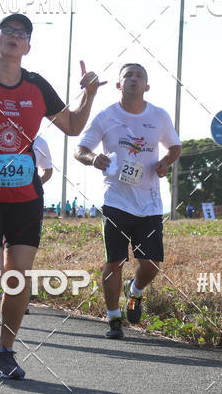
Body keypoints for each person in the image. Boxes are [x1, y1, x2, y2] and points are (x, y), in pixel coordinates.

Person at [0, 13, 104, 379]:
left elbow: (72, 125)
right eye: (8, 31)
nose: (15, 37)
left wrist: (89, 94)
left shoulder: (37, 86)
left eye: (23, 34)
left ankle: (6, 352)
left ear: (28, 47)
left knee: (18, 276)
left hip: (26, 197)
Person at [74, 63, 181, 339]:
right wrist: (93, 158)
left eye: (139, 76)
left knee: (152, 264)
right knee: (115, 261)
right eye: (128, 76)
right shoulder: (106, 116)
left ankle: (135, 290)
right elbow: (80, 149)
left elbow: (175, 146)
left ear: (147, 86)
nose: (134, 79)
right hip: (116, 201)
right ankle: (113, 319)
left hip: (149, 203)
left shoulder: (159, 116)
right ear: (119, 85)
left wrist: (165, 162)